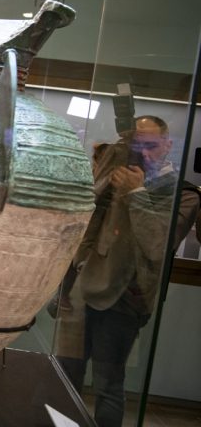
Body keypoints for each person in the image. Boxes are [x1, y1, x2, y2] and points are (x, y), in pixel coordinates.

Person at [59, 115, 194, 427]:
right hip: (83, 292)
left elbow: (158, 245)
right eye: (137, 147)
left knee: (108, 385)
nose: (144, 154)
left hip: (124, 302)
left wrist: (135, 194)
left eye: (152, 146)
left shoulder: (182, 194)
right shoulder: (114, 180)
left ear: (168, 146)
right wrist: (73, 277)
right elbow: (86, 226)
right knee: (65, 374)